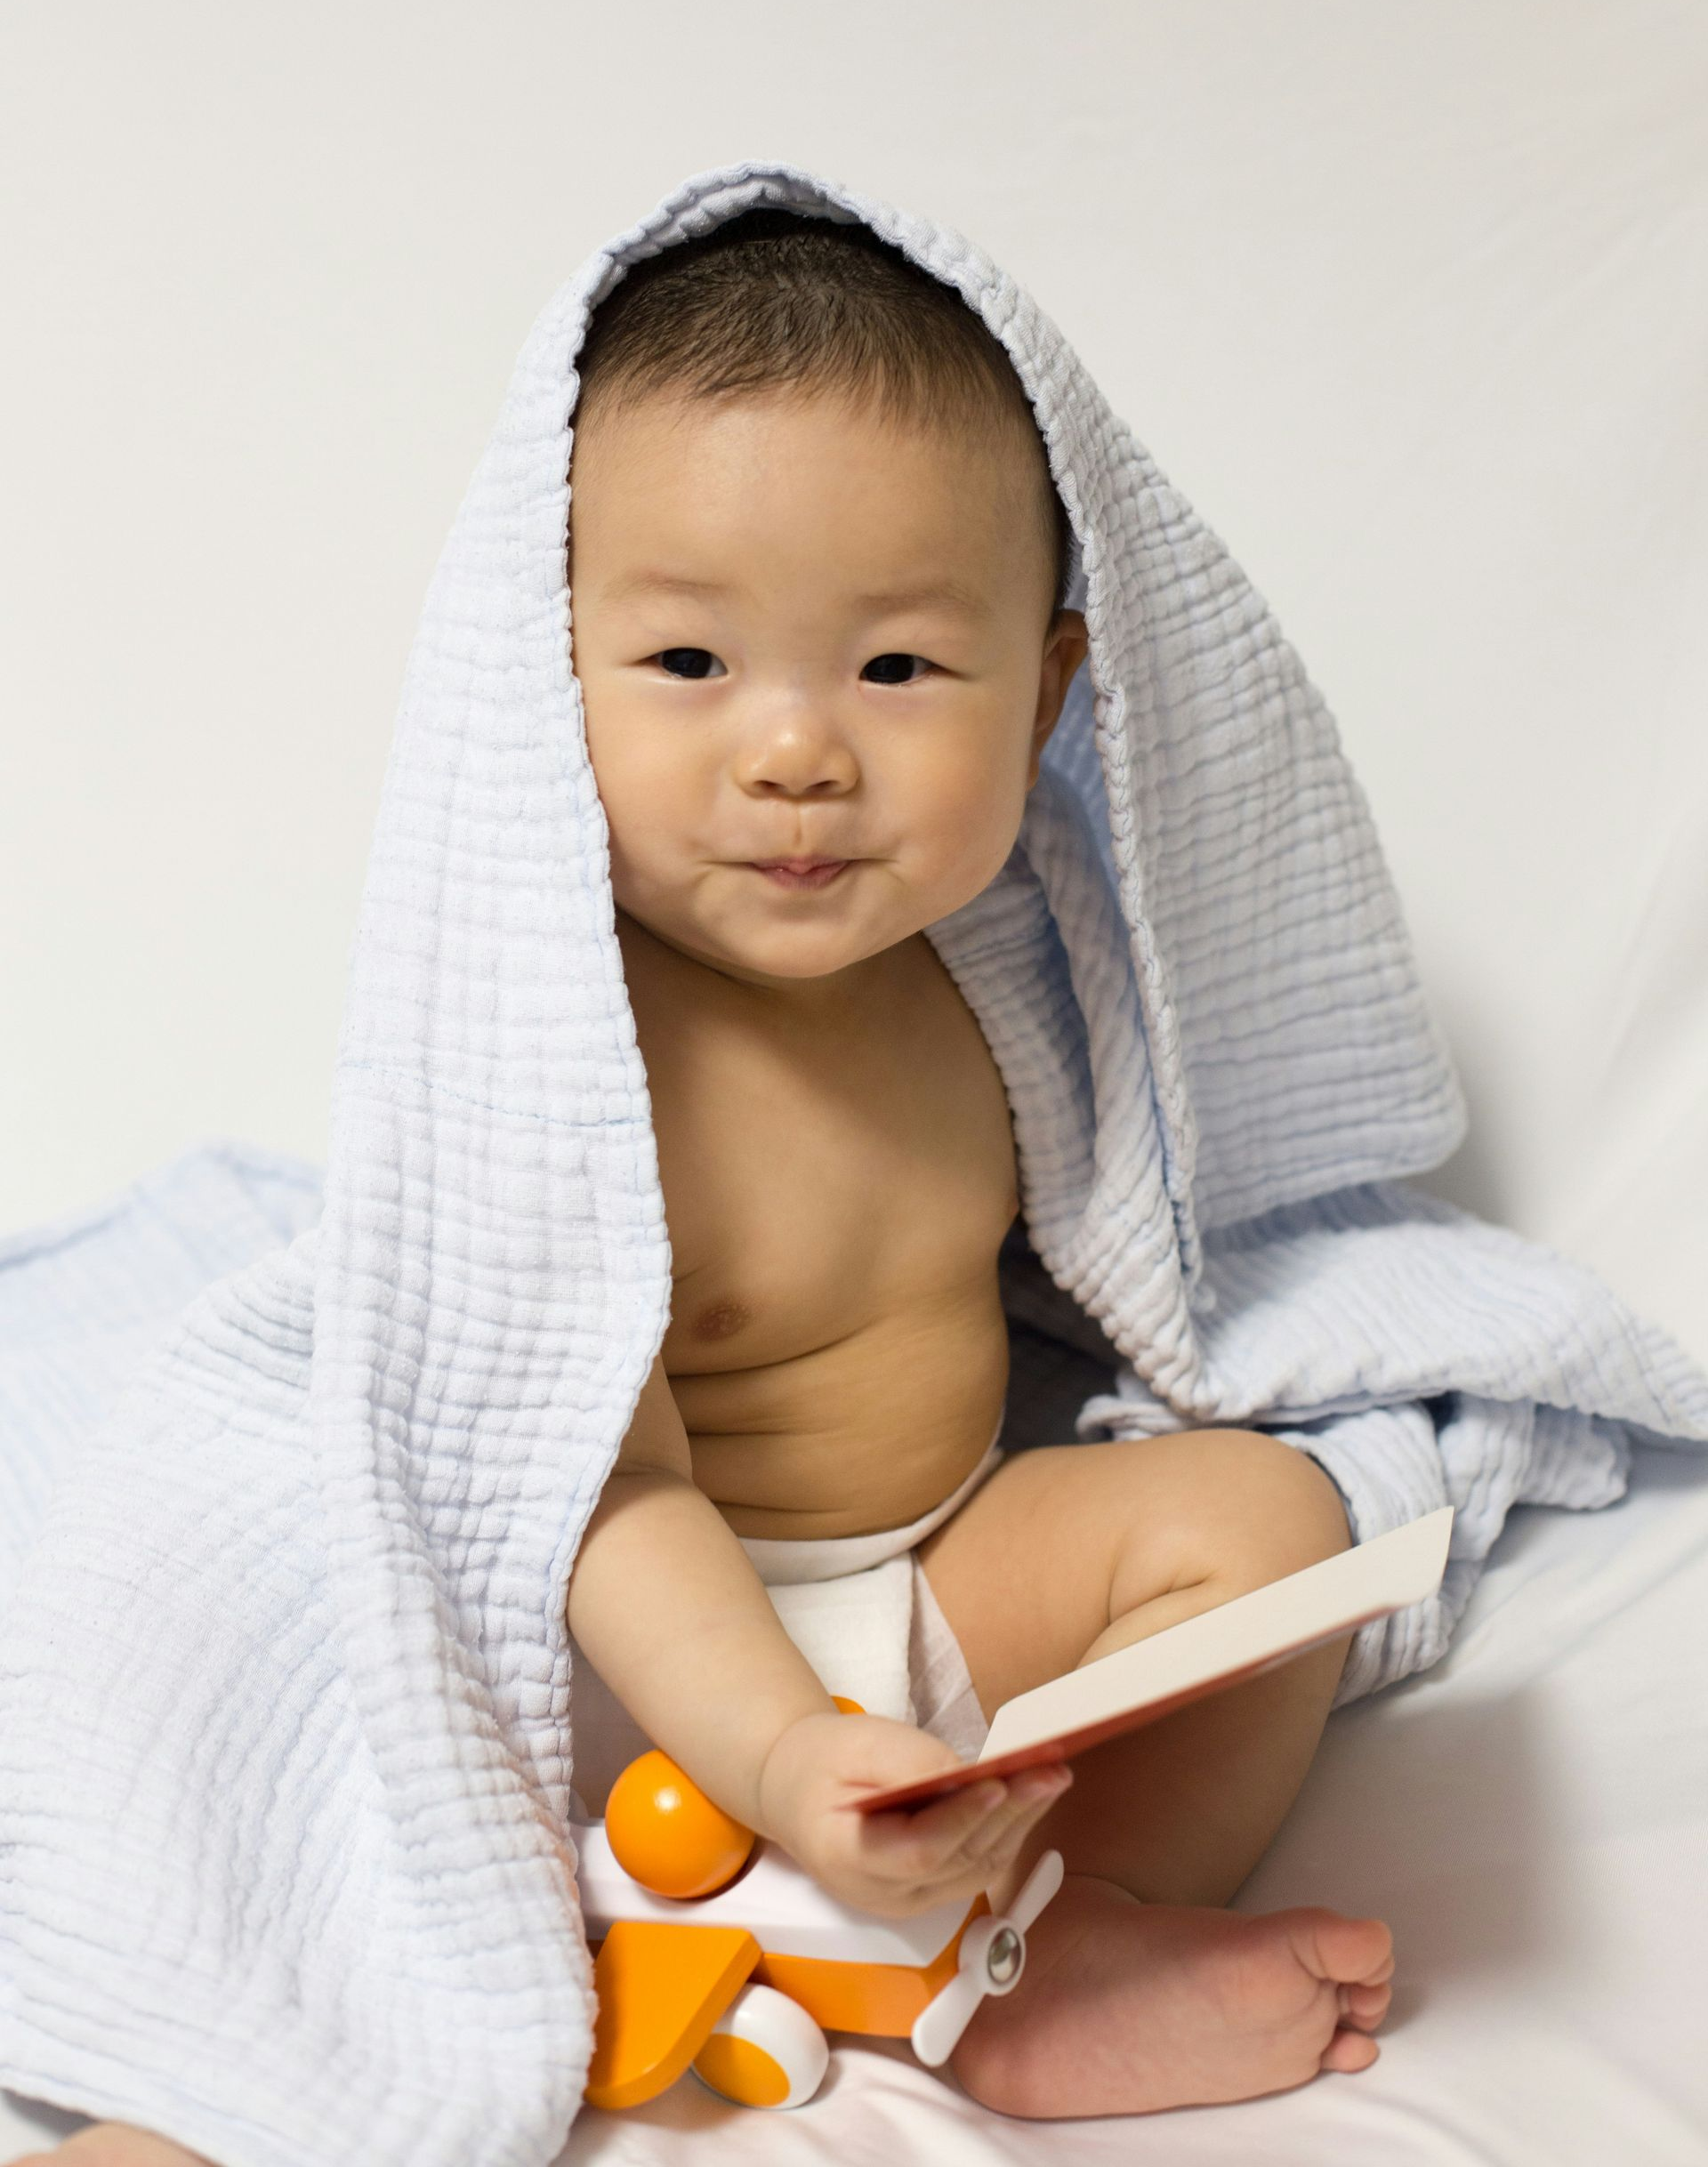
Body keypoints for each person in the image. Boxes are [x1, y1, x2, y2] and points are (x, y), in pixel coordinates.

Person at [20, 210, 1393, 2163]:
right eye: (687, 658)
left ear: (1055, 685)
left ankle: (1063, 1939)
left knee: (1272, 1522)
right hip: (616, 1663)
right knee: (322, 1969)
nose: (796, 750)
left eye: (902, 662)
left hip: (914, 1582)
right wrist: (771, 1744)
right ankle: (214, 2109)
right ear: (539, 663)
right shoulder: (571, 1062)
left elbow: (1101, 1267)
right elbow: (595, 1478)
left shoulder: (999, 971)